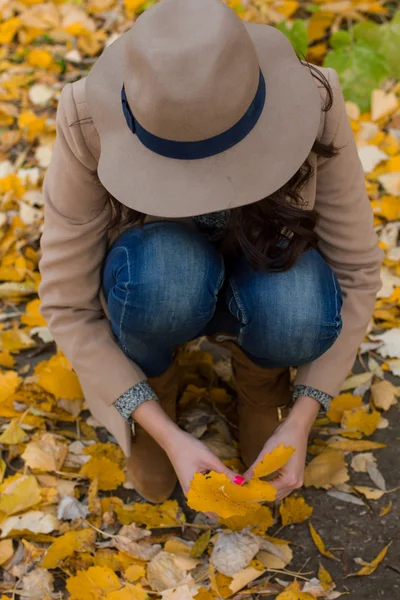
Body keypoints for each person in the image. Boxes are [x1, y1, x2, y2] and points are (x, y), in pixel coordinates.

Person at [38, 0, 383, 504]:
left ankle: (262, 386)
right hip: (156, 287)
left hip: (268, 276)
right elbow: (67, 303)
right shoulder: (87, 119)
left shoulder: (315, 100)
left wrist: (305, 413)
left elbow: (356, 269)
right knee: (167, 271)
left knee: (299, 303)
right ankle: (156, 387)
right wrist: (159, 428)